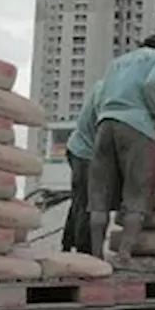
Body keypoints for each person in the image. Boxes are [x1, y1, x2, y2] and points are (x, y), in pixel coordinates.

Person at [88, 35, 155, 269]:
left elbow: (99, 96)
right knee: (138, 191)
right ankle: (124, 255)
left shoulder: (117, 63)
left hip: (104, 125)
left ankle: (96, 257)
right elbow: (152, 85)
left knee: (99, 196)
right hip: (137, 126)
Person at [61, 79, 103, 255]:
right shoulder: (110, 94)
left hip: (77, 148)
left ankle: (68, 243)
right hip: (84, 152)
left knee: (79, 199)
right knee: (87, 202)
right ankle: (83, 250)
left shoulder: (105, 85)